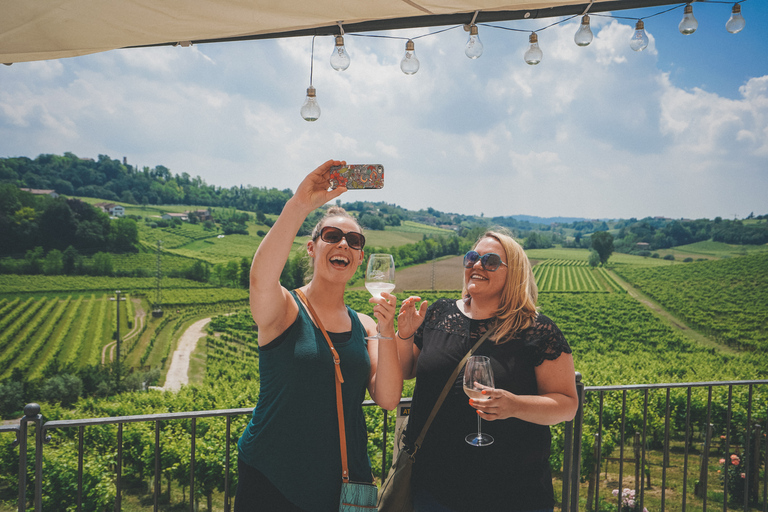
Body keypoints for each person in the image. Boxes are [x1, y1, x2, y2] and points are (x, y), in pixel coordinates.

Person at [235, 160, 403, 512]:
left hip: (344, 482)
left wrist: (388, 331)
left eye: (354, 240)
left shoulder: (367, 327)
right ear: (312, 248)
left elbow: (387, 399)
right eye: (331, 236)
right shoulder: (284, 310)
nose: (343, 243)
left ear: (359, 258)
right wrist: (300, 205)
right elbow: (260, 278)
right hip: (273, 478)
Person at [396, 231, 578, 512]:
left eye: (490, 261)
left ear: (514, 272)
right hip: (435, 489)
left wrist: (515, 405)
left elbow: (566, 405)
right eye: (472, 258)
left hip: (513, 493)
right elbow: (406, 370)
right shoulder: (438, 314)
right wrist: (403, 335)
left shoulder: (537, 330)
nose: (477, 265)